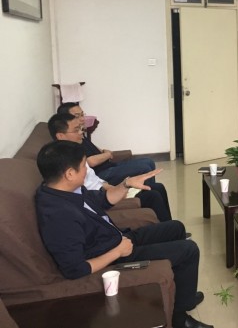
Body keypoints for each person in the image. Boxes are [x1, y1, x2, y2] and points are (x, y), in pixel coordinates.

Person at [35, 140, 213, 328]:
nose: (87, 170)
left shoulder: (66, 190)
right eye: (83, 166)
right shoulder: (59, 215)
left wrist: (126, 184)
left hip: (117, 238)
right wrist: (118, 252)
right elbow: (75, 269)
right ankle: (179, 319)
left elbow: (103, 199)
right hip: (113, 256)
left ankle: (182, 293)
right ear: (69, 174)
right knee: (188, 250)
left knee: (175, 228)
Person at [48, 113, 172, 222]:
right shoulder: (64, 162)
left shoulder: (76, 151)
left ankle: (170, 230)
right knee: (153, 195)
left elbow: (95, 180)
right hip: (100, 198)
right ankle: (168, 231)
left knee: (158, 187)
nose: (81, 132)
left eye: (80, 129)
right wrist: (116, 190)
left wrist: (113, 188)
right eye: (76, 130)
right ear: (60, 136)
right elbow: (87, 192)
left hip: (105, 189)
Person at [57, 102, 160, 186]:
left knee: (149, 161)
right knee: (145, 168)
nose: (82, 118)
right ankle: (147, 194)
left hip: (108, 166)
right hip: (100, 174)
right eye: (77, 116)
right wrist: (107, 154)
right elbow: (90, 162)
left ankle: (151, 190)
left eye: (82, 114)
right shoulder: (68, 140)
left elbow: (93, 148)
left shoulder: (79, 132)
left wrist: (103, 151)